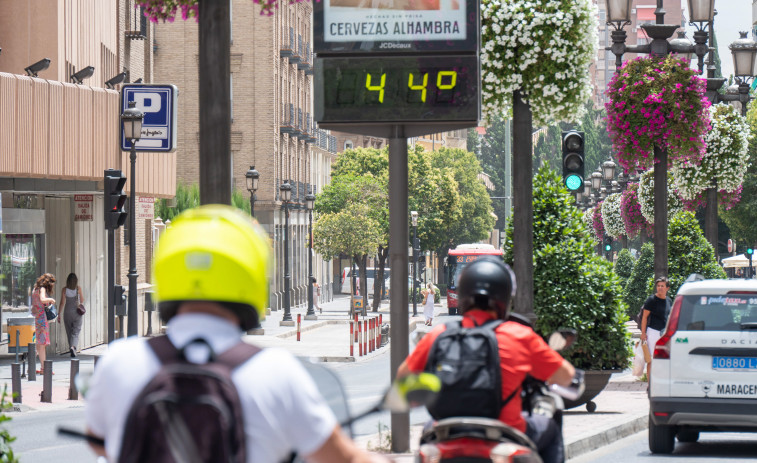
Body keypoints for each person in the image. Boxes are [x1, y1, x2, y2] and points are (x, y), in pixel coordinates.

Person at [85, 205, 385, 463]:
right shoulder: (275, 373)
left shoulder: (119, 362)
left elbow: (99, 441)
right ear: (252, 276)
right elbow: (344, 457)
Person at [397, 257, 575, 463]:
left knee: (428, 434)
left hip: (448, 434)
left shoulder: (440, 333)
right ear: (505, 298)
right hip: (506, 432)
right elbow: (567, 377)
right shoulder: (519, 335)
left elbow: (403, 382)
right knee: (550, 428)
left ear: (463, 294)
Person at [640, 276, 671, 379]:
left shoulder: (669, 301)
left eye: (662, 286)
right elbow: (644, 317)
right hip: (653, 332)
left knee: (664, 359)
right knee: (651, 359)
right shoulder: (651, 300)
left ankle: (662, 380)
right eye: (658, 286)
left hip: (664, 333)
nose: (660, 288)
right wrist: (643, 333)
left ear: (667, 288)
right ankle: (649, 384)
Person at [31, 273, 56, 373]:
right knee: (42, 344)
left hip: (36, 318)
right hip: (41, 318)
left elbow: (35, 303)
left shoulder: (35, 289)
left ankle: (33, 366)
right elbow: (42, 299)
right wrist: (51, 299)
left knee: (38, 345)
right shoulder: (42, 289)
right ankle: (44, 368)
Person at [58, 273, 85, 357]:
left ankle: (72, 348)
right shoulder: (78, 289)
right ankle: (73, 347)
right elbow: (82, 300)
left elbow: (62, 303)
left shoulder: (64, 290)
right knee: (76, 331)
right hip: (77, 313)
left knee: (69, 331)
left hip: (67, 313)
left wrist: (59, 313)